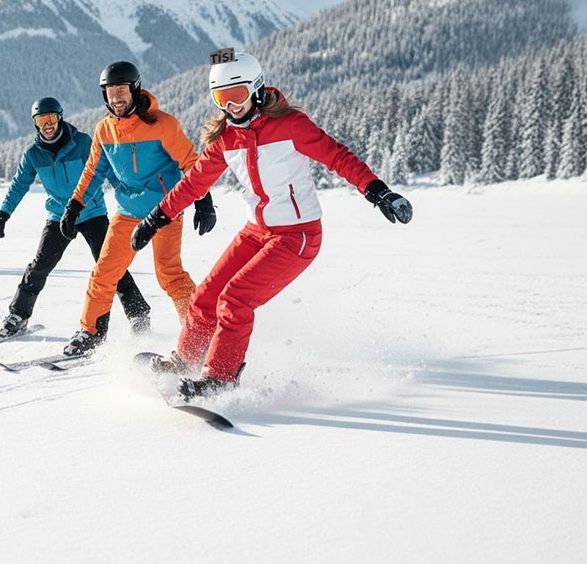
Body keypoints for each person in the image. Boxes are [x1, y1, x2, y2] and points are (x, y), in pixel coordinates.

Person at [130, 51, 413, 400]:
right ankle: (184, 363)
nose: (231, 106)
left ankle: (220, 379)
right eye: (222, 99)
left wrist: (378, 192)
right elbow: (193, 184)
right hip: (256, 232)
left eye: (237, 96)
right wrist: (155, 218)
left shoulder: (291, 125)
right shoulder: (225, 139)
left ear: (257, 89)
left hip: (297, 234)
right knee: (204, 299)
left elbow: (337, 156)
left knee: (234, 300)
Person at [59, 61, 217, 356]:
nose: (116, 97)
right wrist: (74, 205)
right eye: (109, 91)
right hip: (128, 212)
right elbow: (93, 172)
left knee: (170, 275)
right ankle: (89, 332)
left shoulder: (163, 124)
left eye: (121, 90)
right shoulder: (105, 130)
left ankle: (202, 334)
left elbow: (191, 163)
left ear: (134, 89)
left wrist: (203, 200)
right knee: (105, 271)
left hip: (166, 211)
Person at [0, 96, 152, 338]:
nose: (48, 125)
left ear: (60, 117)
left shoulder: (82, 143)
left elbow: (108, 169)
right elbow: (19, 185)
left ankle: (138, 314)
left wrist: (133, 200)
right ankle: (18, 314)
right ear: (35, 123)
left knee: (110, 264)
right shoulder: (33, 154)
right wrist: (3, 214)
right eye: (41, 120)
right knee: (39, 265)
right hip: (58, 215)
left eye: (51, 118)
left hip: (91, 211)